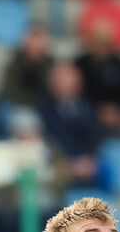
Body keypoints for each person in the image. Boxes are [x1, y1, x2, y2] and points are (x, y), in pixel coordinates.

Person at [38, 63, 106, 192]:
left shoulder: (88, 107)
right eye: (63, 78)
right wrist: (70, 164)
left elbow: (95, 135)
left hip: (87, 166)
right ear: (53, 84)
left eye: (72, 77)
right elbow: (49, 140)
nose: (69, 83)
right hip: (59, 166)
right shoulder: (43, 109)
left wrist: (89, 159)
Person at [0, 22, 56, 133]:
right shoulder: (14, 62)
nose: (36, 43)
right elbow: (9, 92)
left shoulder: (51, 64)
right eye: (33, 37)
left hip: (42, 109)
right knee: (21, 118)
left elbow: (52, 92)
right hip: (16, 107)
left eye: (40, 38)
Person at [74, 19, 120, 137]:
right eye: (98, 40)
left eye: (105, 41)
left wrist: (115, 109)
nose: (101, 45)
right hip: (90, 107)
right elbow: (78, 91)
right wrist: (101, 109)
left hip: (117, 109)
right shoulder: (81, 63)